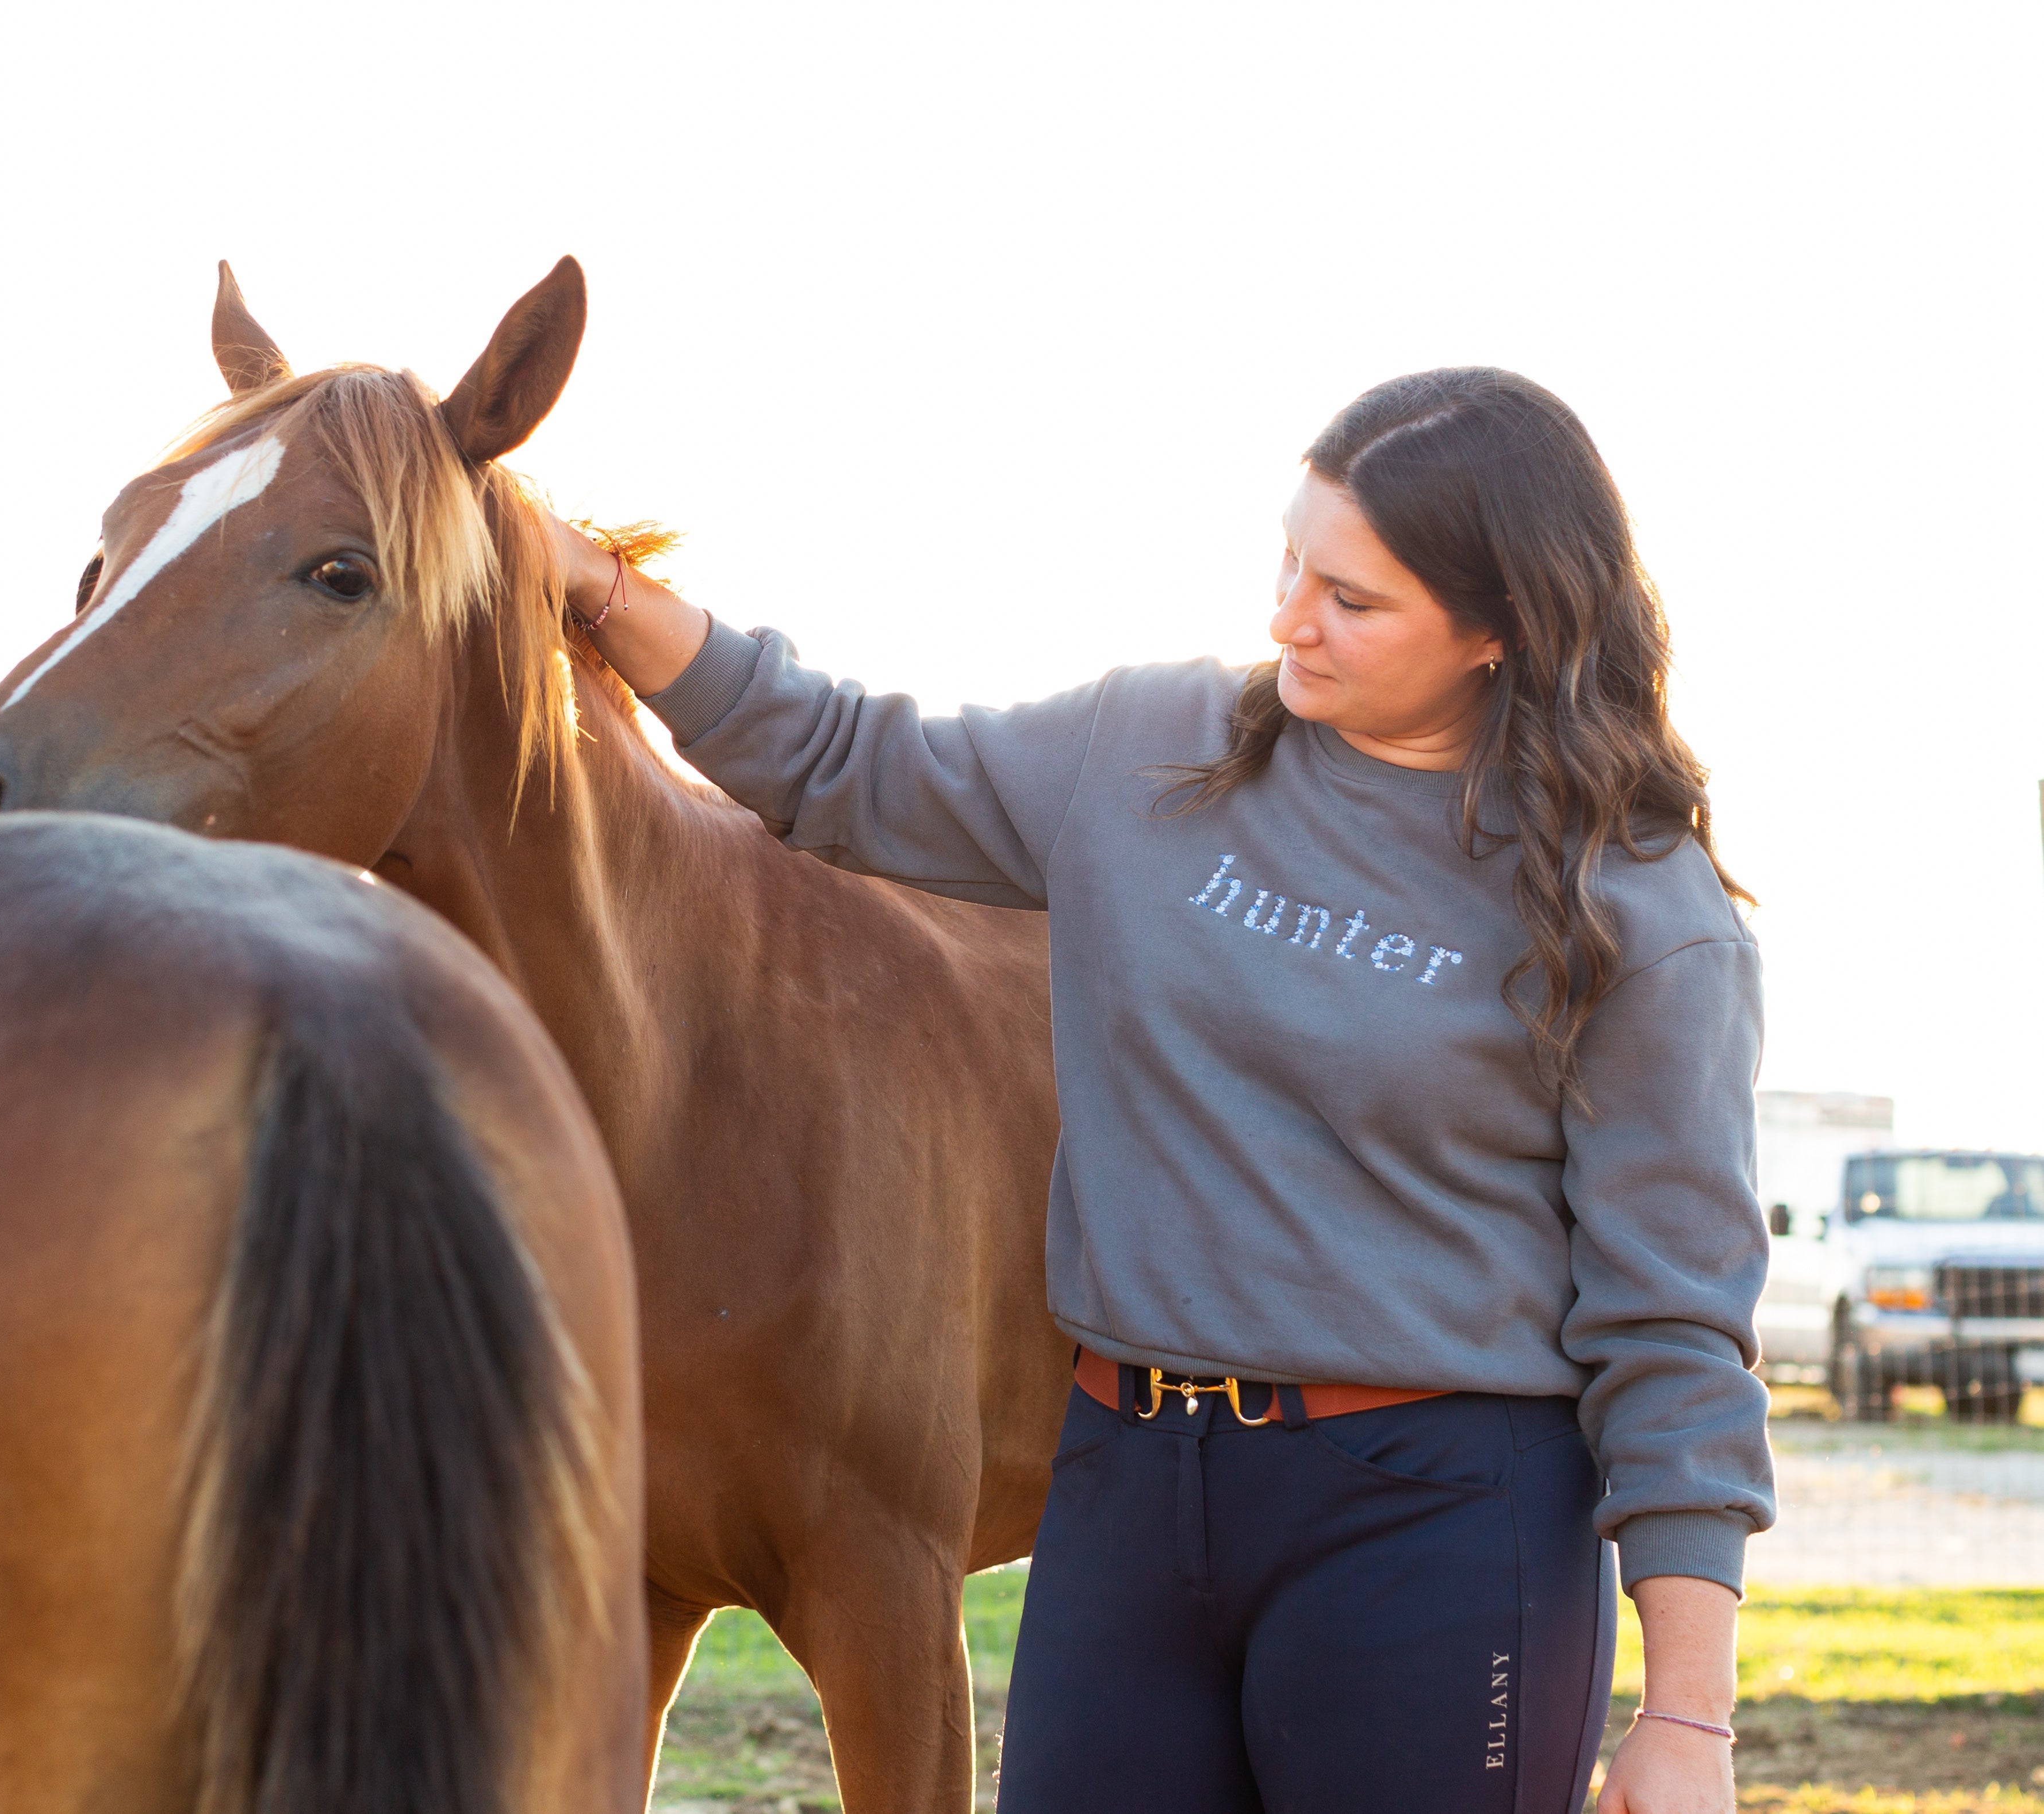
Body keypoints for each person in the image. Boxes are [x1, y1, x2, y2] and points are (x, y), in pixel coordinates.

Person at [551, 367, 1773, 1814]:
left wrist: (1686, 1718)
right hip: (1127, 1492)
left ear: (1500, 628)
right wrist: (596, 587)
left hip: (1435, 1520)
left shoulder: (1633, 908)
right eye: (1289, 561)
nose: (1285, 619)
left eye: (1351, 599)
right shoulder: (1147, 753)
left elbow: (1673, 1328)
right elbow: (839, 761)